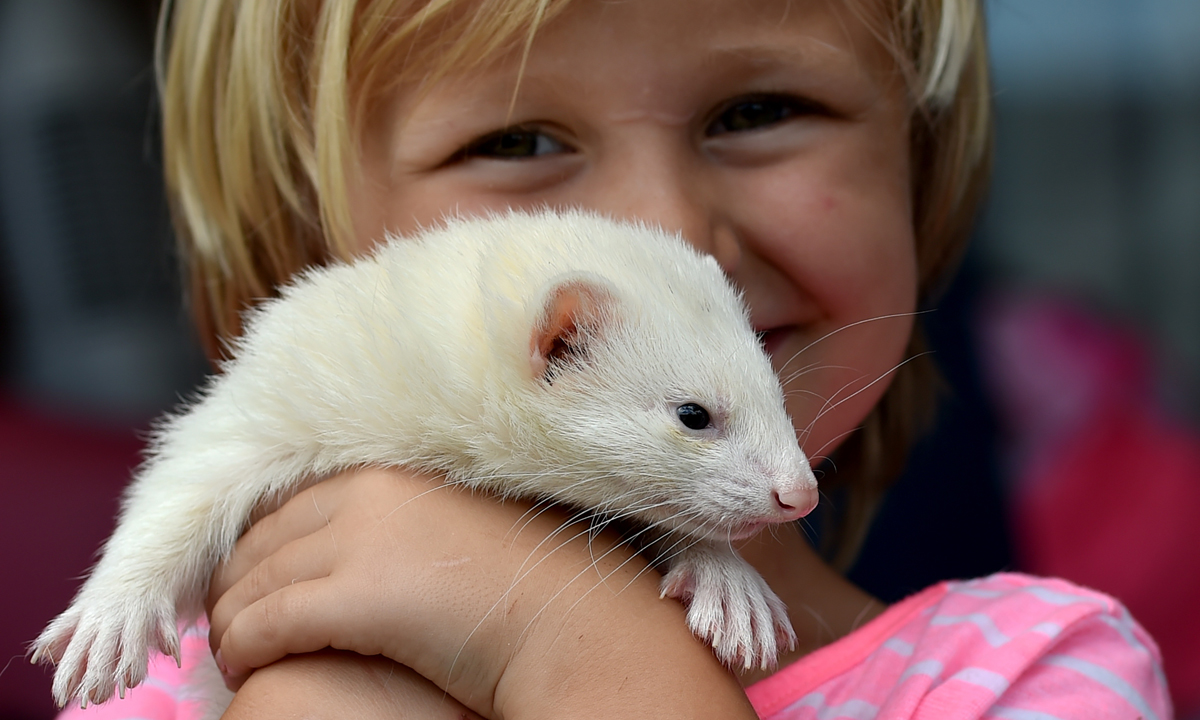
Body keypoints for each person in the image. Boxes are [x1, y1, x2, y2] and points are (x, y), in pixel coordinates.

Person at [58, 0, 1172, 718]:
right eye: (517, 142)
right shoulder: (151, 694)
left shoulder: (1043, 678)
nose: (669, 230)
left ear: (921, 169)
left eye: (761, 108)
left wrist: (573, 653)